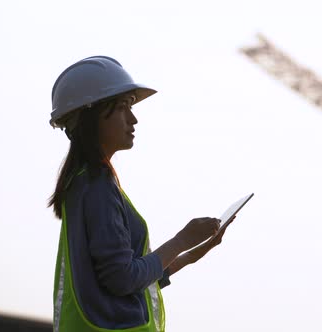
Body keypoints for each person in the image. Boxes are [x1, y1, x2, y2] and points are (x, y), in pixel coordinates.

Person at [48, 56, 231, 332]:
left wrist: (193, 252)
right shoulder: (97, 186)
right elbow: (122, 279)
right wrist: (181, 240)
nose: (133, 118)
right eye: (123, 107)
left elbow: (129, 278)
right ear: (91, 115)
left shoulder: (87, 182)